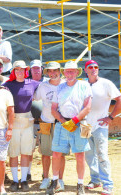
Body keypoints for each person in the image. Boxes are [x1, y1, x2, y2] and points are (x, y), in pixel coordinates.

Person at [46, 60, 92, 195]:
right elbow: (53, 109)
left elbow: (88, 108)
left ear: (77, 72)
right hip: (62, 123)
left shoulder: (84, 85)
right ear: (64, 73)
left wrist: (74, 121)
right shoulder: (59, 88)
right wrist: (63, 121)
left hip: (83, 123)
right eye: (67, 71)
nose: (70, 73)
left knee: (81, 155)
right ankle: (55, 182)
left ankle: (80, 184)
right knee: (56, 154)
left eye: (72, 71)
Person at [84, 60, 121, 195]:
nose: (94, 69)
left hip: (100, 125)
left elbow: (119, 99)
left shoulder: (106, 83)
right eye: (90, 67)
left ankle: (108, 184)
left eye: (96, 67)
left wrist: (110, 117)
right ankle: (95, 180)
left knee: (102, 155)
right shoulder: (82, 84)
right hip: (85, 126)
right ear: (85, 70)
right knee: (88, 155)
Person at [2, 60, 40, 192]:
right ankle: (15, 180)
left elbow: (47, 86)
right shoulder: (7, 85)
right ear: (13, 71)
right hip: (13, 121)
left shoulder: (32, 83)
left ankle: (24, 180)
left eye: (22, 69)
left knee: (25, 152)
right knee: (13, 153)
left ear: (26, 70)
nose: (19, 72)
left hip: (27, 121)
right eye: (16, 69)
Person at [33, 62, 66, 190]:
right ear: (46, 73)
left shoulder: (65, 85)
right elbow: (34, 98)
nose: (52, 73)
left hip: (61, 123)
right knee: (46, 153)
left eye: (55, 70)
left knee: (61, 154)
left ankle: (60, 180)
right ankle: (46, 178)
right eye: (49, 71)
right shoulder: (43, 86)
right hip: (46, 122)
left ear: (60, 71)